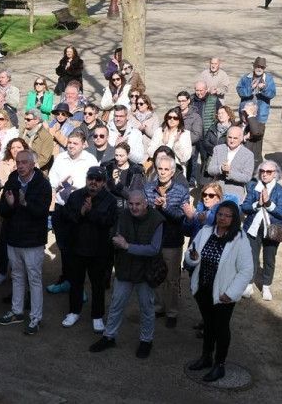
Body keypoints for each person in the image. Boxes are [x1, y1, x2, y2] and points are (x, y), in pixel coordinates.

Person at [185, 201, 253, 382]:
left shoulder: (240, 239)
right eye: (220, 214)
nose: (222, 218)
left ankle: (219, 364)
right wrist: (193, 257)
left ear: (234, 218)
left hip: (224, 293)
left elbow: (246, 270)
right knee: (208, 324)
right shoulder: (206, 231)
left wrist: (230, 293)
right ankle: (206, 357)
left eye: (227, 215)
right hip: (203, 288)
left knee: (221, 328)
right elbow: (191, 253)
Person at [89, 190, 163, 358]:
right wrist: (115, 241)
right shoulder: (123, 216)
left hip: (146, 271)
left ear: (146, 204)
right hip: (125, 267)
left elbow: (154, 249)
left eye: (137, 204)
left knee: (147, 308)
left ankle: (146, 340)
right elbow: (117, 237)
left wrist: (127, 246)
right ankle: (109, 337)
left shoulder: (157, 220)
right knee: (116, 305)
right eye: (131, 204)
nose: (134, 207)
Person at [0, 148, 51, 333]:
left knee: (34, 278)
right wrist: (12, 206)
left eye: (24, 162)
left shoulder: (42, 184)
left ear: (33, 163)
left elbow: (42, 211)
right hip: (13, 238)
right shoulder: (12, 181)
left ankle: (35, 317)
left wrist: (23, 203)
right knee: (17, 276)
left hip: (33, 241)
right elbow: (2, 210)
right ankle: (16, 311)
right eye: (18, 162)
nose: (20, 166)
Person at [60, 166, 118, 332]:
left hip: (99, 251)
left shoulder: (110, 200)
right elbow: (66, 216)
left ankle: (97, 316)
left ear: (103, 183)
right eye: (90, 178)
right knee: (76, 282)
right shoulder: (75, 196)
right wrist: (81, 212)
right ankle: (73, 311)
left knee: (98, 285)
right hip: (76, 248)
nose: (93, 182)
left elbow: (109, 221)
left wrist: (90, 212)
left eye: (97, 179)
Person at [47, 131, 99, 293]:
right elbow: (51, 178)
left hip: (80, 210)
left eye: (75, 143)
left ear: (83, 144)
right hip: (62, 208)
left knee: (79, 247)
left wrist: (79, 189)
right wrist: (60, 184)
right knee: (63, 247)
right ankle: (66, 279)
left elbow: (96, 182)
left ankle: (78, 285)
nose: (71, 145)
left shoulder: (90, 160)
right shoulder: (61, 158)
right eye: (69, 142)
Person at [145, 154, 191, 328]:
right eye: (160, 169)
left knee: (171, 278)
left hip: (172, 240)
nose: (163, 173)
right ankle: (158, 307)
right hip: (153, 240)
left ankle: (172, 311)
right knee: (156, 275)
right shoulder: (149, 188)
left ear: (172, 172)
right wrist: (153, 208)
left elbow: (181, 217)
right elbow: (144, 213)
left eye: (166, 170)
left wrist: (165, 207)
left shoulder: (181, 190)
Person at [242, 160, 282, 302]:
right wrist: (258, 204)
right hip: (253, 230)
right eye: (262, 171)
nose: (265, 174)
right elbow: (245, 207)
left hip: (273, 230)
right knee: (251, 258)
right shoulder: (253, 187)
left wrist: (268, 204)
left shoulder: (281, 190)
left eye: (268, 172)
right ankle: (249, 284)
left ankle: (266, 286)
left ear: (275, 174)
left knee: (269, 259)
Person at [206, 126, 254, 200]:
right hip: (217, 193)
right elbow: (210, 170)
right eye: (230, 137)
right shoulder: (218, 149)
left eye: (235, 138)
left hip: (235, 194)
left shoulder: (248, 154)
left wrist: (230, 173)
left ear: (241, 139)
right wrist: (221, 168)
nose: (232, 140)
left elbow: (247, 177)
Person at [236, 57, 277, 123]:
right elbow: (240, 91)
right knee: (245, 132)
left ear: (264, 68)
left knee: (258, 132)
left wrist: (264, 89)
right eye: (258, 66)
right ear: (254, 66)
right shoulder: (246, 77)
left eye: (262, 67)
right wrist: (251, 88)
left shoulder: (268, 79)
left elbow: (272, 94)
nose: (259, 69)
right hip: (246, 112)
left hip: (261, 113)